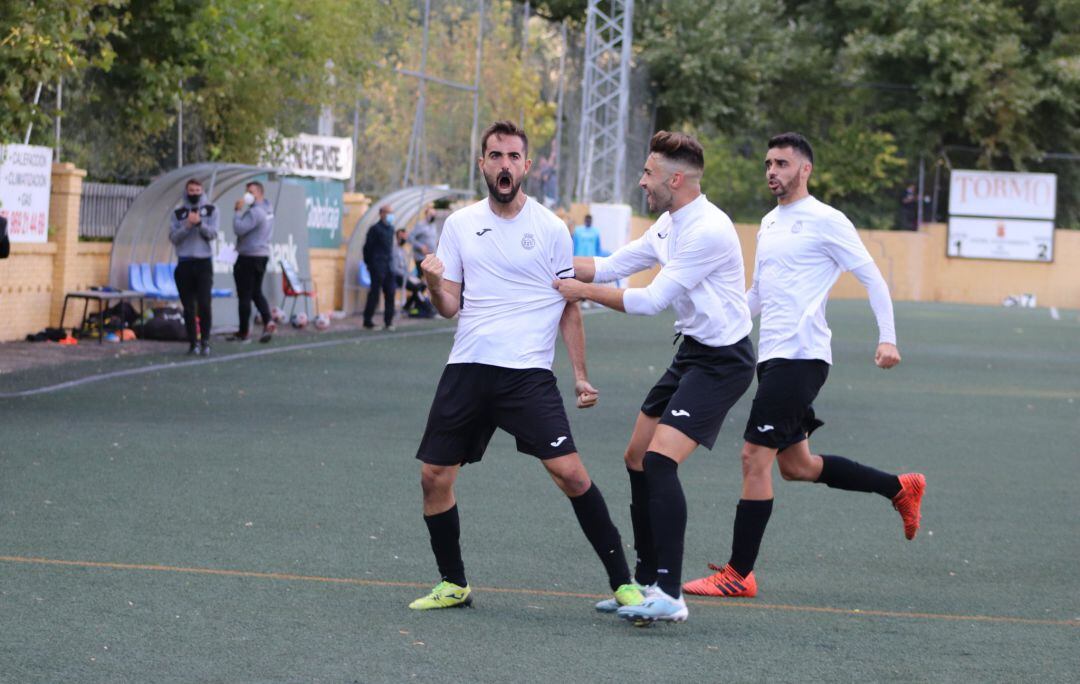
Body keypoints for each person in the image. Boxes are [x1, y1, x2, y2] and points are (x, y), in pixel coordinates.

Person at [409, 120, 642, 613]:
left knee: (572, 475)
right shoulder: (460, 225)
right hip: (468, 367)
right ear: (483, 164)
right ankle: (453, 584)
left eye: (514, 157)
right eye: (496, 156)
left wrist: (579, 374)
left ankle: (624, 583)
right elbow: (449, 304)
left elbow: (569, 303)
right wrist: (432, 282)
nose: (505, 165)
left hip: (527, 374)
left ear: (527, 166)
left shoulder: (550, 228)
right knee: (434, 476)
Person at [681, 132, 926, 599]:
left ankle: (738, 573)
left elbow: (871, 276)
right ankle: (899, 487)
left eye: (783, 164)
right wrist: (712, 325)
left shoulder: (827, 220)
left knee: (754, 456)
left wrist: (888, 337)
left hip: (802, 357)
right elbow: (756, 294)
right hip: (773, 358)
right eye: (769, 163)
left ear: (805, 170)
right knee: (798, 466)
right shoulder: (770, 223)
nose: (773, 171)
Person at [553, 131, 755, 625]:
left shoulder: (708, 228)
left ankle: (670, 593)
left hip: (724, 361)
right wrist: (542, 262)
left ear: (675, 178)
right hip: (691, 353)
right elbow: (609, 265)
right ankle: (645, 584)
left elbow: (649, 301)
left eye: (648, 174)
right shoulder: (668, 223)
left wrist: (578, 291)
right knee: (637, 458)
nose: (642, 181)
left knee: (661, 461)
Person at [169, 178, 218, 356]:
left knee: (204, 304)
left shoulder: (211, 210)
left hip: (203, 262)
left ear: (202, 191)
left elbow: (212, 234)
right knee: (188, 306)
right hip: (184, 263)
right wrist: (188, 225)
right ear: (186, 191)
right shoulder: (178, 213)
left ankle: (205, 341)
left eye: (198, 190)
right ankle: (192, 342)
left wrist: (199, 224)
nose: (195, 193)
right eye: (191, 190)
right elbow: (174, 238)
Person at [228, 181, 276, 343]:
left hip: (248, 256)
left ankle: (244, 331)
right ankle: (268, 320)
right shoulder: (268, 209)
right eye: (246, 191)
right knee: (256, 291)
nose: (247, 195)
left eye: (251, 192)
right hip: (262, 255)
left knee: (245, 295)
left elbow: (239, 228)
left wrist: (237, 211)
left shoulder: (255, 212)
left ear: (260, 193)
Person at [363, 204, 397, 330]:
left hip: (389, 266)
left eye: (392, 213)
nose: (391, 216)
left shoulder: (391, 229)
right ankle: (368, 321)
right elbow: (367, 248)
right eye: (389, 213)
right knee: (374, 294)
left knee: (390, 293)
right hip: (377, 266)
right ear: (382, 213)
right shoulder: (375, 229)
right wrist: (369, 264)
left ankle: (388, 321)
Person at [409, 207, 438, 272]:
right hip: (421, 258)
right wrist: (420, 246)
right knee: (423, 279)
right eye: (431, 214)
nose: (433, 216)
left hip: (431, 257)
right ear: (426, 214)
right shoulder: (420, 225)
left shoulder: (433, 225)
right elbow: (410, 237)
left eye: (434, 214)